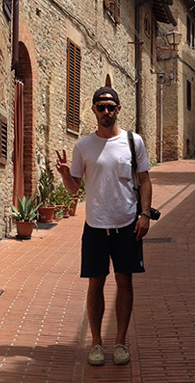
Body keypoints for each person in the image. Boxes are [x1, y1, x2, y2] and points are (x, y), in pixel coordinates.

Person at [55, 86, 153, 367]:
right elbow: (74, 189)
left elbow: (144, 180)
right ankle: (96, 343)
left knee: (125, 282)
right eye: (101, 107)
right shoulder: (83, 146)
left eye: (111, 107)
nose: (106, 112)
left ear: (118, 109)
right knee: (95, 283)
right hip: (95, 225)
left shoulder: (133, 142)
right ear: (94, 110)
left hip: (127, 224)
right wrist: (65, 175)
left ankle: (120, 342)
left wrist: (144, 214)